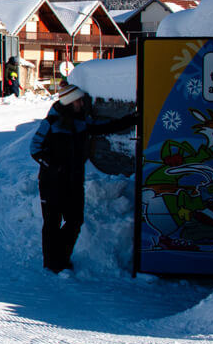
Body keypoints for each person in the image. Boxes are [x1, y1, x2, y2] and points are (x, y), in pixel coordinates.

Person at [29, 86, 137, 272]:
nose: (81, 103)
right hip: (52, 182)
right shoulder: (51, 122)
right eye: (78, 100)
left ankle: (61, 257)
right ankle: (52, 262)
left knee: (75, 221)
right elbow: (35, 148)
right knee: (52, 224)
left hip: (75, 181)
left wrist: (132, 119)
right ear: (70, 102)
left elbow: (105, 128)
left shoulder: (82, 122)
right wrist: (53, 165)